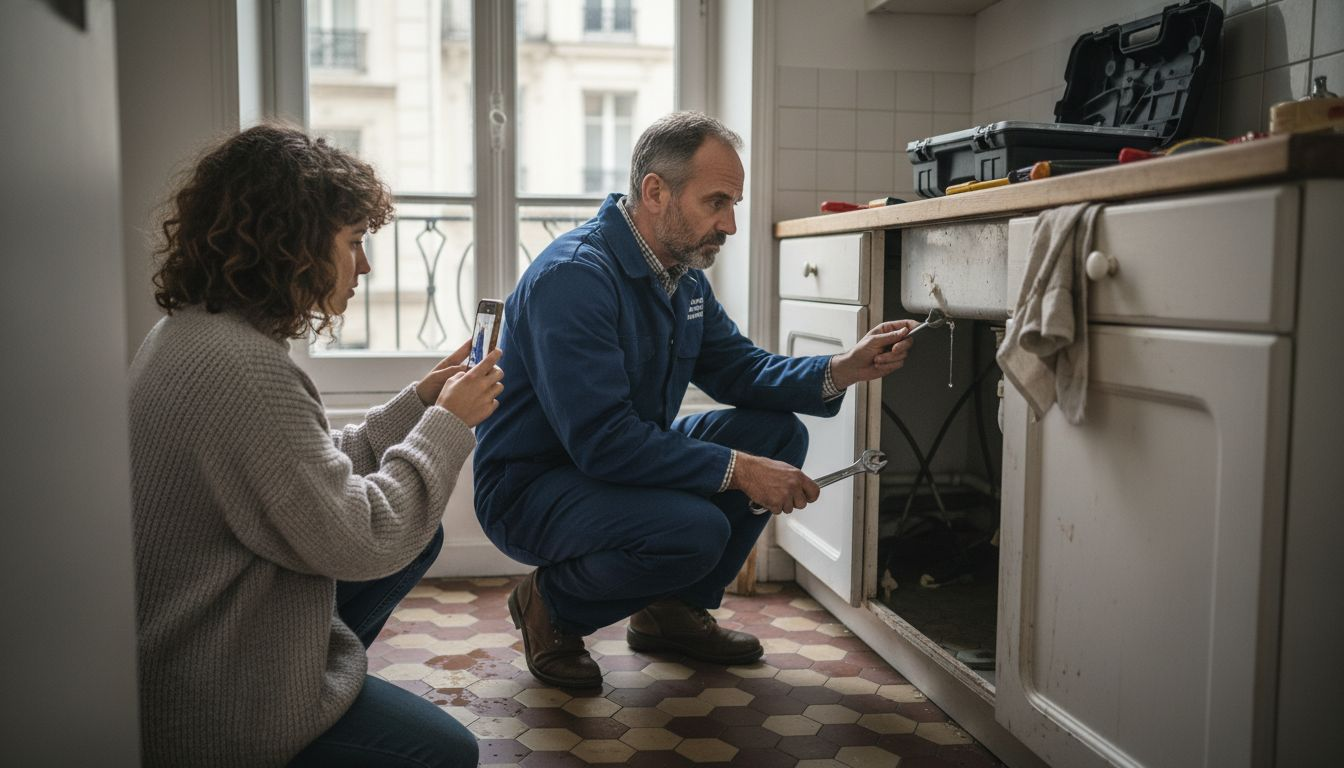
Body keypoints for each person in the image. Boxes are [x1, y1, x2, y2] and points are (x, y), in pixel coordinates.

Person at [472, 111, 918, 688]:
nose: (730, 224)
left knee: (778, 435)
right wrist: (739, 470)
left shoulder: (680, 276)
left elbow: (740, 370)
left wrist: (841, 368)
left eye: (733, 203)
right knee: (697, 528)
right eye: (716, 202)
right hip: (532, 485)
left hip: (607, 463)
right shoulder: (575, 279)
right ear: (655, 192)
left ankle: (668, 612)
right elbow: (603, 442)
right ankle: (551, 607)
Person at [128, 123, 502, 767]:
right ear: (293, 244)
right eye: (354, 242)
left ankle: (320, 683)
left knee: (426, 534)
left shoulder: (191, 334)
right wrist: (448, 425)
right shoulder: (246, 369)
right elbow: (367, 536)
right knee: (448, 755)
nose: (365, 265)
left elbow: (300, 467)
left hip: (190, 652)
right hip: (214, 703)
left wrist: (416, 404)